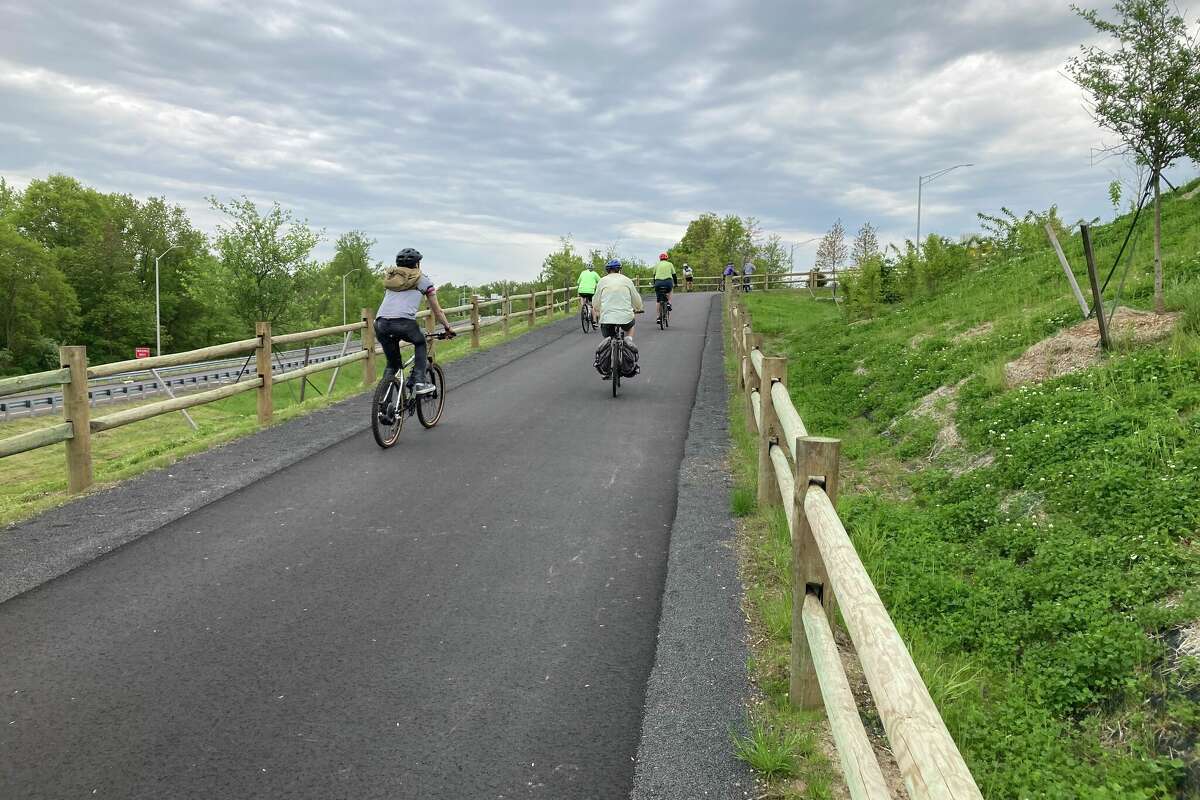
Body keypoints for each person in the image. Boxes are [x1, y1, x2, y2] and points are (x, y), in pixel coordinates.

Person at [374, 247, 455, 397]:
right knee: (420, 342)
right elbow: (437, 311)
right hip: (404, 323)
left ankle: (383, 404)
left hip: (380, 323)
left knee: (392, 364)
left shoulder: (391, 280)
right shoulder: (423, 280)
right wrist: (447, 327)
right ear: (417, 264)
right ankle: (419, 381)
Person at [593, 258, 644, 343]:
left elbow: (596, 301)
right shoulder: (627, 280)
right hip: (625, 317)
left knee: (608, 337)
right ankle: (629, 340)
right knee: (630, 326)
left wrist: (598, 309)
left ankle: (607, 348)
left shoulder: (602, 281)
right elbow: (636, 298)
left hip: (607, 318)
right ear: (620, 270)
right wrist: (639, 307)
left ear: (607, 271)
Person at [652, 252, 677, 321]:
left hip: (658, 283)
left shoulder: (657, 265)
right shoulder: (670, 264)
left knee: (658, 300)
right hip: (668, 282)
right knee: (670, 289)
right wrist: (676, 283)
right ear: (667, 258)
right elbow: (674, 275)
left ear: (660, 259)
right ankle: (668, 302)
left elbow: (654, 276)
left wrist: (654, 284)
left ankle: (658, 317)